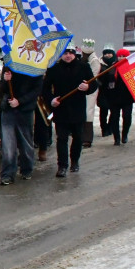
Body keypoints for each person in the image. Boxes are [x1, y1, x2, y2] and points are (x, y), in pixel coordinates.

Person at [44, 44, 98, 177]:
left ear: (75, 54)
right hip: (61, 109)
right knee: (61, 139)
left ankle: (75, 161)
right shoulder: (54, 68)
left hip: (77, 109)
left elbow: (94, 84)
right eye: (65, 53)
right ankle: (62, 166)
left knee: (78, 138)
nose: (68, 55)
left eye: (71, 53)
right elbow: (45, 88)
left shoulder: (83, 67)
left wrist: (87, 87)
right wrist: (51, 100)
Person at [0, 67, 43, 185]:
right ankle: (7, 173)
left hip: (25, 110)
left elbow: (36, 90)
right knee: (8, 144)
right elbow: (2, 89)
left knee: (25, 142)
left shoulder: (36, 66)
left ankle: (27, 168)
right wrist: (5, 80)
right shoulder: (9, 64)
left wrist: (20, 101)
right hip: (8, 110)